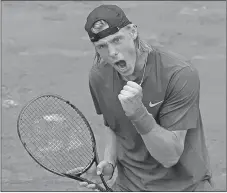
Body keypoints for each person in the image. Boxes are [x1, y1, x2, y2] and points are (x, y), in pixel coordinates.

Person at [79, 4, 213, 191]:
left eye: (117, 40)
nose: (111, 53)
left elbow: (170, 156)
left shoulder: (178, 74)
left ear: (133, 31)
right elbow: (113, 125)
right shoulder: (99, 76)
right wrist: (109, 163)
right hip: (129, 187)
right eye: (102, 46)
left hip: (185, 187)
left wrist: (138, 114)